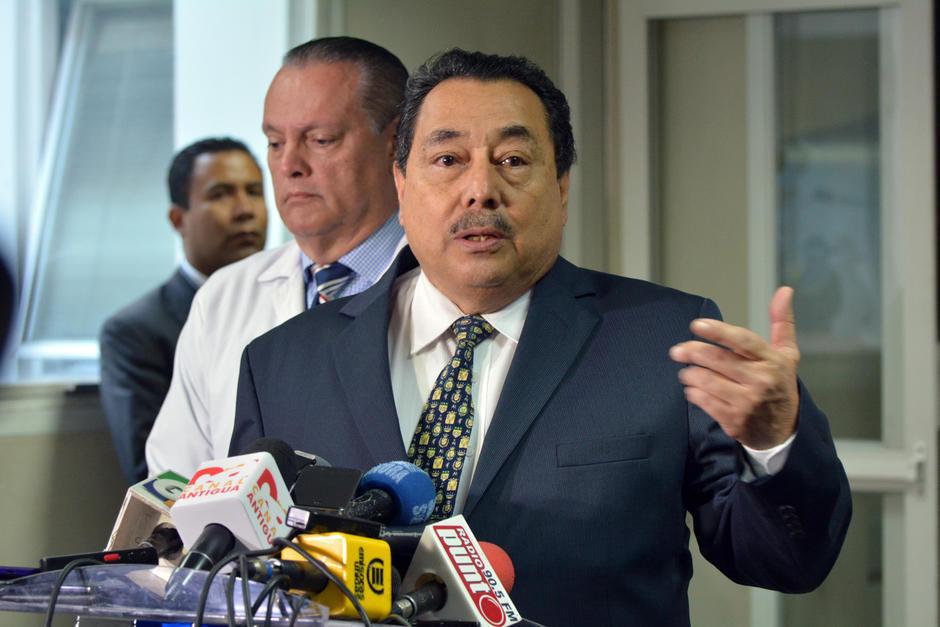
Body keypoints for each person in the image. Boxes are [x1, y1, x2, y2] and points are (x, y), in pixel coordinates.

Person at [229, 49, 851, 625]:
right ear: (400, 182)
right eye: (447, 160)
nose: (480, 190)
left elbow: (783, 562)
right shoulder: (283, 363)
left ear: (561, 187)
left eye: (513, 161)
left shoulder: (662, 342)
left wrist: (776, 443)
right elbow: (242, 575)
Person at [145, 37, 409, 476]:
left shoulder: (447, 286)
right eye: (273, 143)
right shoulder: (224, 296)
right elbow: (174, 479)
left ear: (396, 142)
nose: (290, 165)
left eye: (320, 140)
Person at [100, 137, 268, 483]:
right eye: (220, 194)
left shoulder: (301, 296)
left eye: (253, 191)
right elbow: (152, 473)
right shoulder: (137, 330)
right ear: (178, 219)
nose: (244, 210)